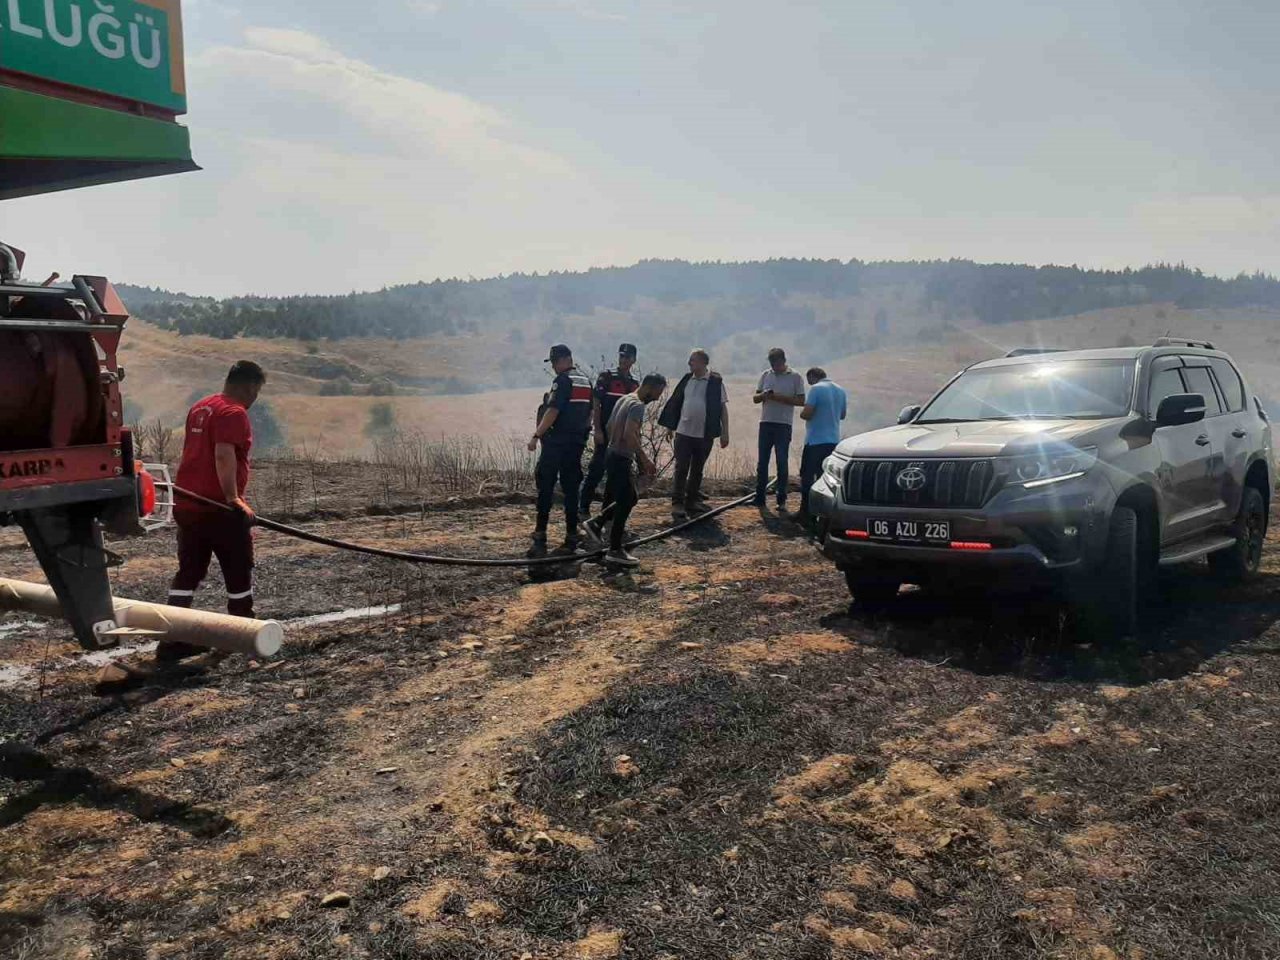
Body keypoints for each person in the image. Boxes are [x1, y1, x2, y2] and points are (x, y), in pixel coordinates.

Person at [164, 360, 266, 661]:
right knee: (238, 568)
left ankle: (172, 638)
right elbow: (223, 454)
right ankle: (243, 631)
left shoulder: (202, 406)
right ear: (250, 386)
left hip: (188, 503)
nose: (255, 397)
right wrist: (233, 499)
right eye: (257, 390)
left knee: (189, 571)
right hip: (218, 508)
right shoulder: (234, 413)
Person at [588, 373, 667, 568]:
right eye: (658, 392)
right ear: (649, 387)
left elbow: (609, 426)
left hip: (611, 453)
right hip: (621, 457)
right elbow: (630, 434)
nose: (657, 397)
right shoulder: (637, 405)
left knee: (623, 498)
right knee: (627, 500)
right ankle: (614, 549)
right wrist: (644, 460)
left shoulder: (624, 399)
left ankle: (597, 523)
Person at [527, 343, 593, 555]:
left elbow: (553, 411)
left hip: (556, 443)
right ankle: (572, 533)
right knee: (571, 488)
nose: (554, 367)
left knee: (546, 485)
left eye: (555, 362)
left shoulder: (563, 381)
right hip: (576, 444)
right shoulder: (585, 381)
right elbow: (590, 413)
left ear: (565, 360)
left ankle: (540, 534)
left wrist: (536, 435)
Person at [658, 348, 730, 520]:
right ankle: (677, 502)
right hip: (683, 432)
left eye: (693, 360)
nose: (690, 363)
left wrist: (725, 432)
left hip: (704, 434)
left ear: (703, 363)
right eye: (690, 360)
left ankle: (691, 501)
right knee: (681, 468)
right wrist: (670, 427)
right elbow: (676, 403)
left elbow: (722, 408)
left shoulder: (715, 382)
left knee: (697, 469)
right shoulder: (686, 379)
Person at [580, 343, 640, 519]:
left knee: (615, 475)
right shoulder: (606, 377)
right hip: (606, 432)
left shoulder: (634, 384)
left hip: (622, 436)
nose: (623, 360)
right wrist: (597, 429)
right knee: (596, 470)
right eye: (621, 356)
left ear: (634, 360)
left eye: (627, 357)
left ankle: (606, 513)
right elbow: (596, 404)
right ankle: (583, 507)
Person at [752, 347, 805, 511]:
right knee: (762, 462)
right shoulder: (765, 375)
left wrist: (778, 397)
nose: (773, 366)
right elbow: (755, 398)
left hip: (783, 424)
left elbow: (801, 401)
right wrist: (764, 395)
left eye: (776, 363)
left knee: (782, 461)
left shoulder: (795, 377)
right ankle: (759, 498)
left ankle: (781, 499)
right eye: (771, 363)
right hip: (766, 422)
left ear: (783, 361)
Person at [797, 367, 847, 526]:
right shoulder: (840, 390)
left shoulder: (816, 389)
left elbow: (807, 413)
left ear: (812, 377)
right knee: (826, 480)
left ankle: (806, 514)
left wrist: (802, 413)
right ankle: (823, 517)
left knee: (807, 478)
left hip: (815, 441)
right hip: (833, 441)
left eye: (809, 380)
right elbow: (842, 415)